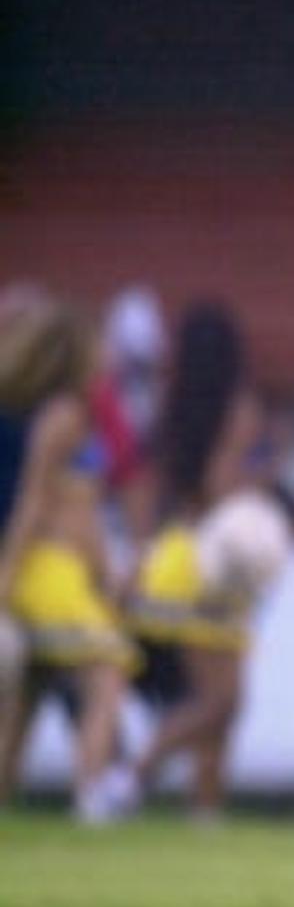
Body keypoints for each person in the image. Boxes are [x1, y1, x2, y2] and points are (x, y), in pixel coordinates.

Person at [118, 303, 294, 821]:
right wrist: (272, 462)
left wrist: (141, 558)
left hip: (177, 555)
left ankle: (204, 809)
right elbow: (225, 488)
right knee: (224, 702)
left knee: (218, 701)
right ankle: (130, 775)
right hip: (216, 561)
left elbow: (160, 493)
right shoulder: (237, 405)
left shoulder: (174, 408)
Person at [0, 285, 136, 821]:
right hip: (46, 568)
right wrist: (9, 574)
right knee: (107, 668)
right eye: (101, 349)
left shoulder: (80, 417)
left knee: (30, 688)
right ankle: (90, 797)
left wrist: (104, 569)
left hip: (72, 571)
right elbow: (35, 499)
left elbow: (87, 503)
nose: (110, 358)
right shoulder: (61, 418)